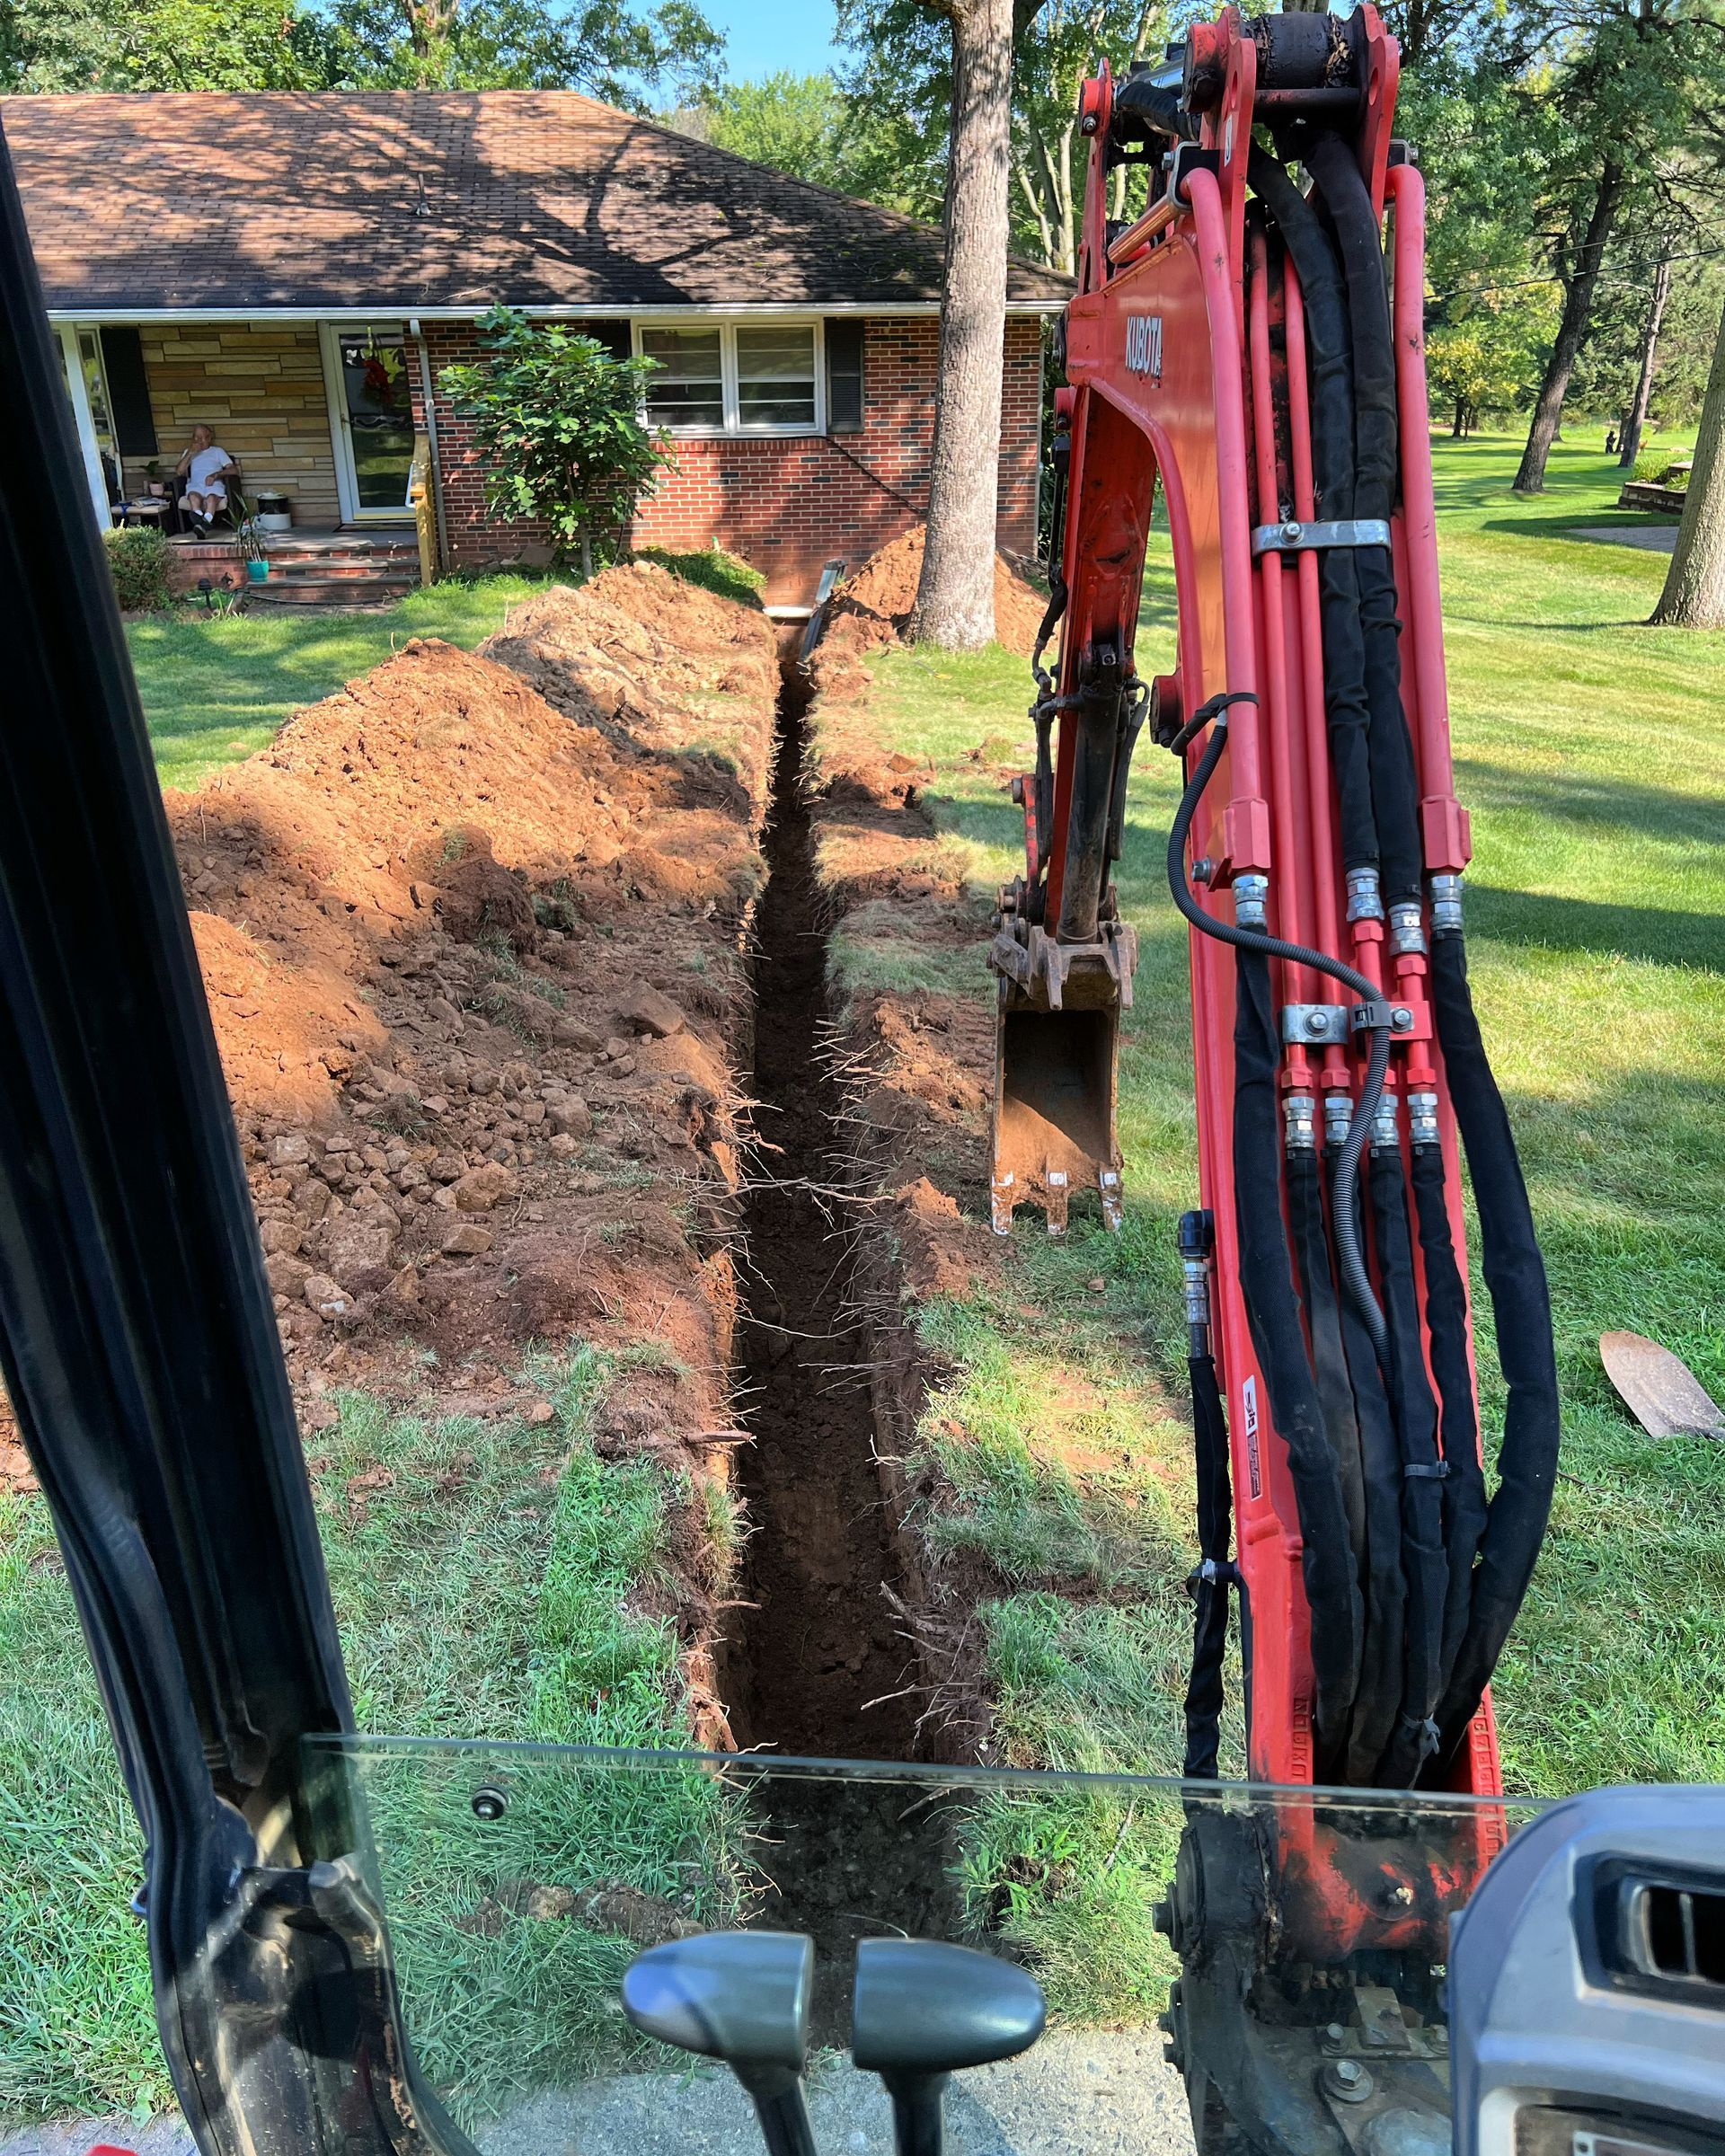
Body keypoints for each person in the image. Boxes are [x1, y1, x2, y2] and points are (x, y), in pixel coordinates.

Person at [175, 425, 238, 534]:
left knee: (211, 498)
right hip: (196, 485)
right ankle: (203, 523)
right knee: (193, 496)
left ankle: (202, 524)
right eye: (196, 437)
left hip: (214, 485)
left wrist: (216, 475)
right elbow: (179, 472)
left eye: (202, 437)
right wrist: (190, 453)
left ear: (209, 438)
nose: (199, 441)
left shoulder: (217, 451)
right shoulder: (188, 452)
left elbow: (233, 470)